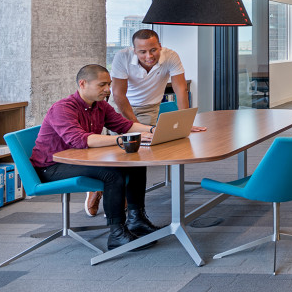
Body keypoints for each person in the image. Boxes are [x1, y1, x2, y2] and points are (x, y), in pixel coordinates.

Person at [31, 65, 160, 250]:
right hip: (51, 166)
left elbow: (124, 125)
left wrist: (154, 130)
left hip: (80, 159)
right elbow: (79, 140)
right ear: (83, 84)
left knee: (136, 162)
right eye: (102, 85)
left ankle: (136, 219)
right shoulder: (63, 108)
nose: (108, 90)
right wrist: (120, 140)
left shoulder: (100, 106)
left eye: (109, 84)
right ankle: (116, 234)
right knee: (112, 175)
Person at [84, 29, 203, 217]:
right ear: (134, 50)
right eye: (143, 52)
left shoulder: (171, 56)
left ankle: (115, 193)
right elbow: (118, 94)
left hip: (151, 107)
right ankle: (106, 192)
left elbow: (181, 89)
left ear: (160, 47)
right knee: (123, 153)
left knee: (137, 155)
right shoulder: (122, 58)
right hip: (122, 107)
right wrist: (134, 126)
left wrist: (185, 120)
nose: (149, 56)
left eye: (153, 50)